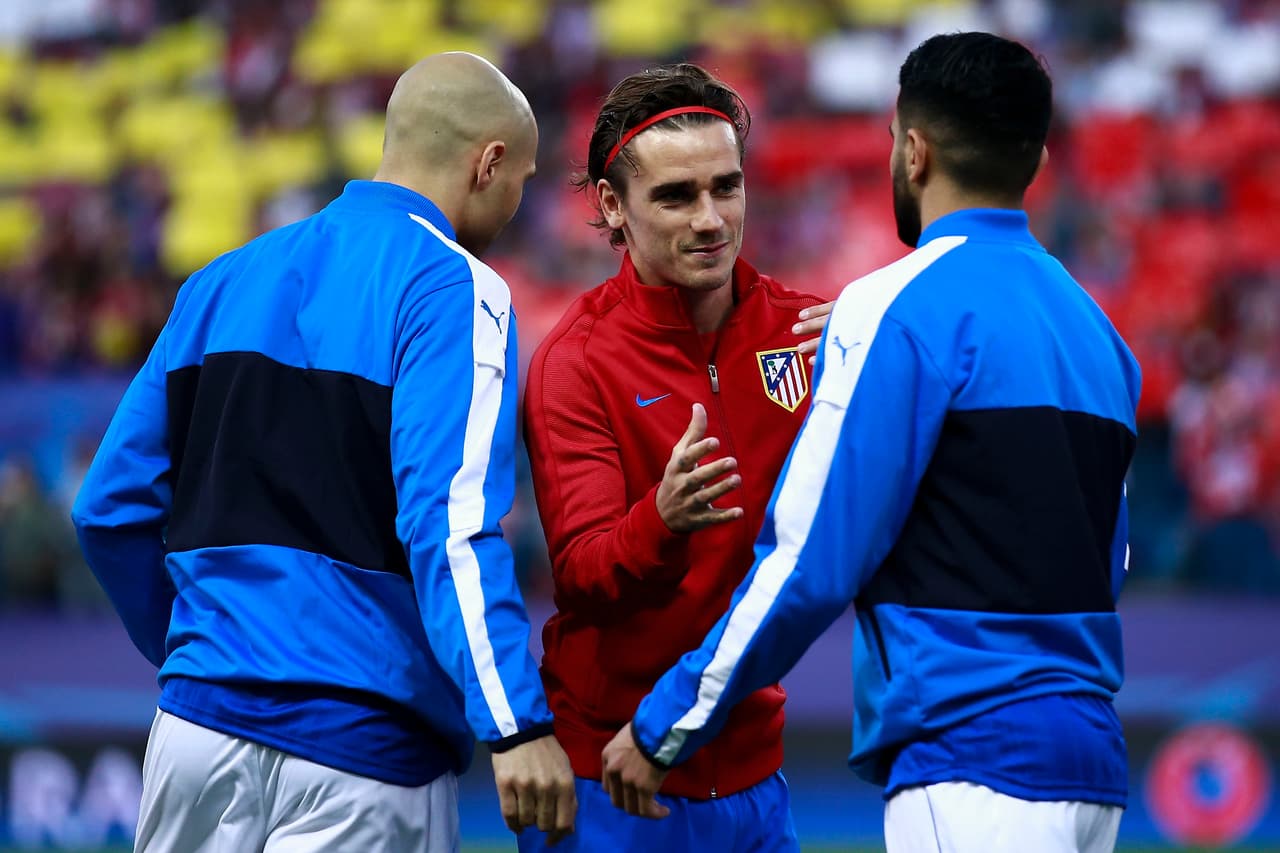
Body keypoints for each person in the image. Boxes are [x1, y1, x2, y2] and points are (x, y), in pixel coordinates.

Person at [601, 32, 1141, 853]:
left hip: (971, 762)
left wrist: (666, 724)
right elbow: (1106, 565)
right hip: (1093, 767)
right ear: (1031, 157)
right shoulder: (1101, 335)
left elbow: (809, 558)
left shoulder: (894, 306)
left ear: (914, 150)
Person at [71, 52, 576, 852]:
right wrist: (515, 722)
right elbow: (449, 526)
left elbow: (107, 507)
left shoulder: (220, 280)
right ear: (490, 164)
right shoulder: (456, 289)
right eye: (523, 178)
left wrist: (205, 651)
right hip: (365, 747)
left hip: (194, 739)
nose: (518, 201)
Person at [519, 63, 831, 851]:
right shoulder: (576, 361)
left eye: (726, 187)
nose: (711, 218)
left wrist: (877, 373)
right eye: (675, 196)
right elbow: (584, 574)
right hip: (608, 778)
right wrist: (660, 521)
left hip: (753, 773)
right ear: (612, 207)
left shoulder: (811, 335)